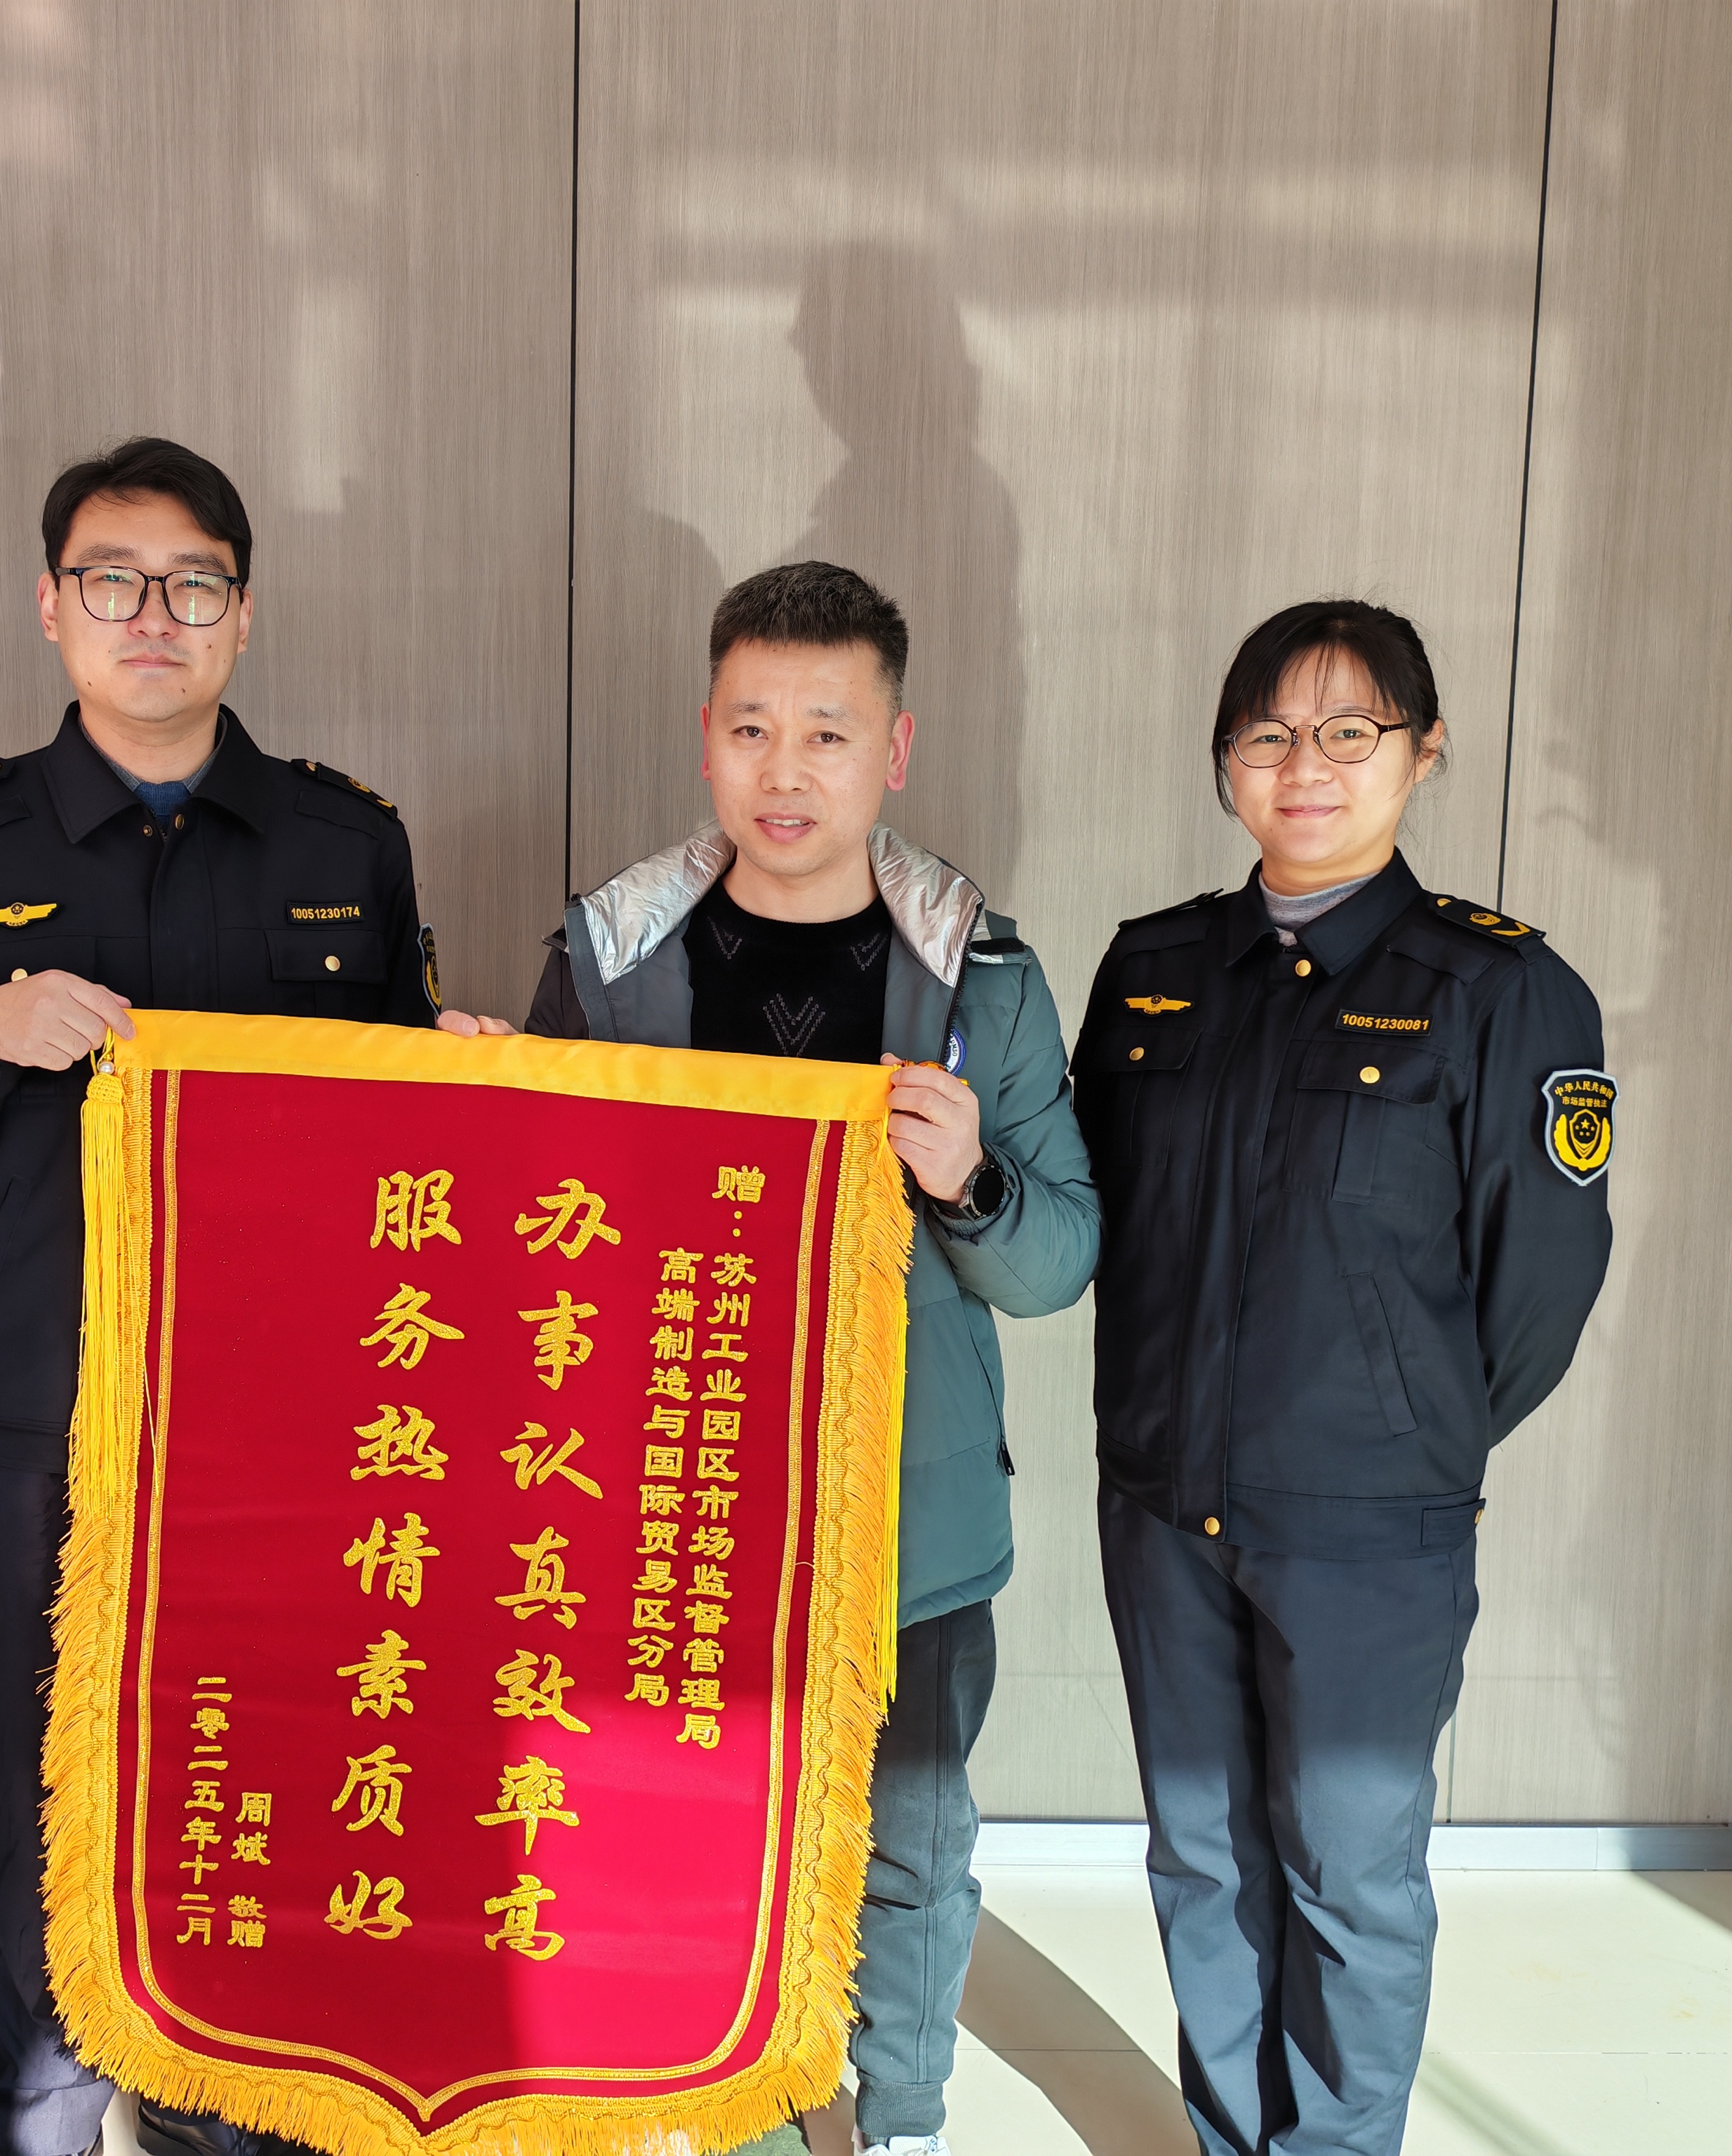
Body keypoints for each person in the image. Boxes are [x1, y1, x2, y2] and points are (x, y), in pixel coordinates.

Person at [0, 438, 437, 2156]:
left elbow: (404, 1135)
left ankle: (232, 2090)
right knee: (53, 1762)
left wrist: (456, 1076)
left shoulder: (344, 839)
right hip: (43, 1405)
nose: (153, 614)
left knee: (272, 1745)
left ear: (243, 613)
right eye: (113, 579)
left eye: (193, 583)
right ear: (51, 604)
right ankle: (51, 2092)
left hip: (293, 1417)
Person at [448, 559, 1099, 2156]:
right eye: (751, 729)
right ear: (704, 738)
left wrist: (969, 1181)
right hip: (664, 1498)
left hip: (906, 1513)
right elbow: (533, 1254)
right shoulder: (611, 961)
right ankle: (723, 2101)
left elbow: (1059, 1262)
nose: (784, 770)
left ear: (895, 750)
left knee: (909, 1845)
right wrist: (489, 1122)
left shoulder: (979, 976)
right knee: (686, 1835)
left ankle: (903, 2118)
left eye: (826, 731)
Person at [1073, 600, 1613, 2156]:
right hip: (1162, 1505)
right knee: (1200, 1854)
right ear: (1224, 764)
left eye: (1347, 732)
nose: (1302, 767)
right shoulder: (1154, 968)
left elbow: (1540, 1285)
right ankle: (1231, 2136)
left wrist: (1399, 1429)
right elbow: (1089, 1216)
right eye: (1265, 735)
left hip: (1373, 1528)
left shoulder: (1501, 989)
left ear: (1421, 753)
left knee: (1349, 1871)